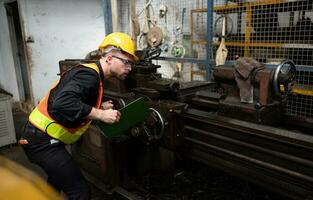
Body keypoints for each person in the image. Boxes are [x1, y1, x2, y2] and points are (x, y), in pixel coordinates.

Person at [18, 32, 138, 200]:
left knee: (57, 180)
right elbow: (63, 103)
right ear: (110, 58)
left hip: (40, 136)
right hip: (43, 142)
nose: (129, 68)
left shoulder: (92, 72)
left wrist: (98, 106)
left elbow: (74, 101)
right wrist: (101, 114)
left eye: (131, 64)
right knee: (81, 192)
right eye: (126, 62)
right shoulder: (90, 76)